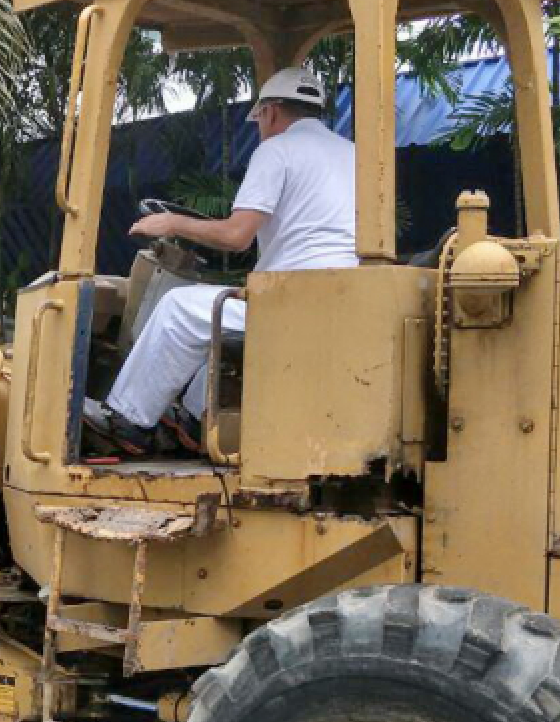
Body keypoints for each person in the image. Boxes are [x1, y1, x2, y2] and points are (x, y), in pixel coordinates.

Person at [84, 64, 357, 455]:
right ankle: (194, 423)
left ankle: (127, 422)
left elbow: (235, 235)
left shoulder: (276, 151)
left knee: (179, 308)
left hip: (296, 298)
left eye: (259, 118)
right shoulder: (355, 155)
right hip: (346, 299)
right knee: (218, 321)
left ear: (272, 111)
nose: (260, 126)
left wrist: (171, 221)